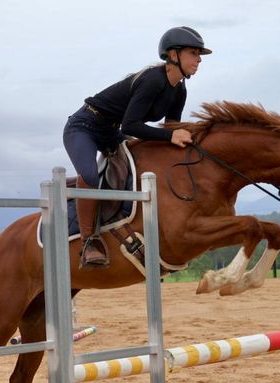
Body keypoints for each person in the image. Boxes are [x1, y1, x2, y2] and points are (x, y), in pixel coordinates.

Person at [63, 26, 212, 268]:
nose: (199, 60)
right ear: (173, 55)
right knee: (89, 176)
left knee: (139, 163)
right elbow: (131, 125)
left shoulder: (180, 90)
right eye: (193, 53)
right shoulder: (153, 79)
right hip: (84, 126)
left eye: (199, 55)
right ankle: (89, 241)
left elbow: (170, 129)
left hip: (111, 131)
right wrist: (171, 135)